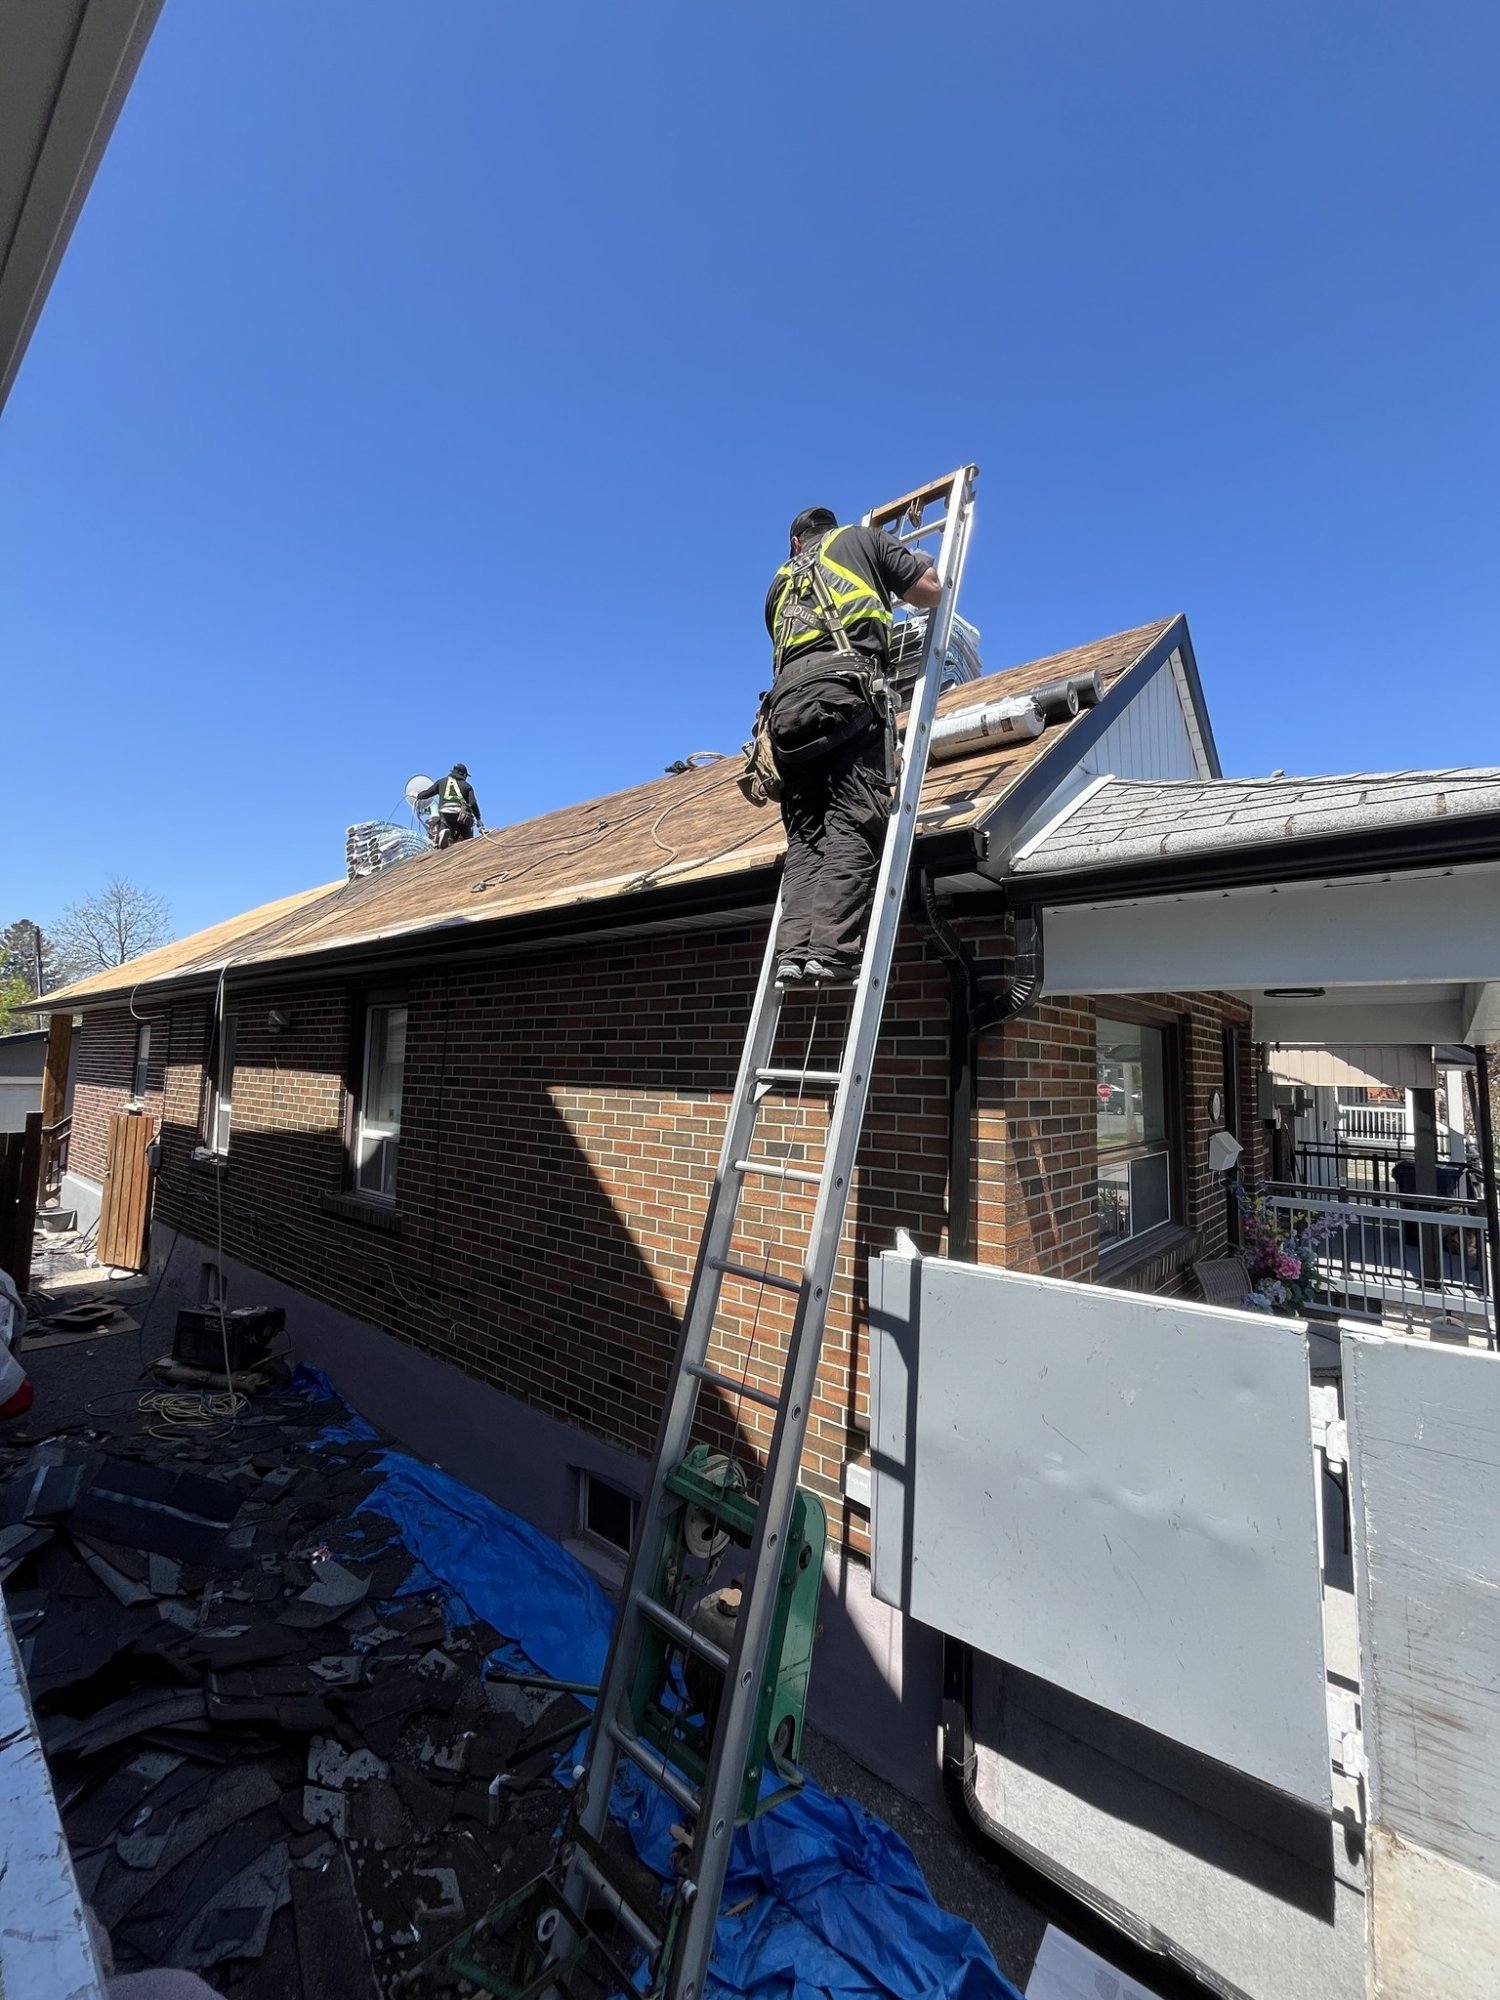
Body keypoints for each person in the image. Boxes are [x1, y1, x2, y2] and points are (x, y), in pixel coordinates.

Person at [763, 506, 942, 983]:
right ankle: (829, 953)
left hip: (785, 715)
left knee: (805, 836)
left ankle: (792, 955)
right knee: (852, 822)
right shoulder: (862, 540)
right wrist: (919, 559)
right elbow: (929, 593)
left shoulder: (779, 582)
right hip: (844, 698)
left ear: (796, 543)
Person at [416, 764, 483, 847]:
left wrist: (418, 795)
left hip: (445, 811)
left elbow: (427, 793)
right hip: (461, 815)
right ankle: (468, 844)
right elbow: (472, 803)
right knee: (466, 833)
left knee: (444, 824)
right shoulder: (467, 786)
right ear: (464, 775)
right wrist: (479, 820)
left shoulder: (441, 782)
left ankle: (442, 832)